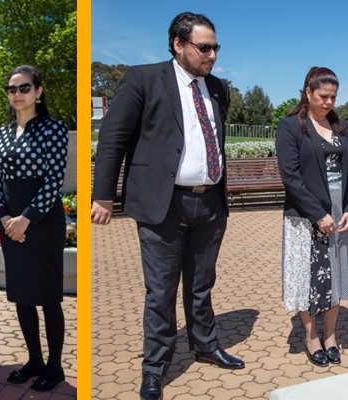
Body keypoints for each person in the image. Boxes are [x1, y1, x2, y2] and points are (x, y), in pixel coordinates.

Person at [91, 11, 244, 400]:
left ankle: (205, 346)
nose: (212, 55)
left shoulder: (218, 88)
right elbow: (113, 139)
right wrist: (103, 196)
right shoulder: (143, 79)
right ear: (178, 44)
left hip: (209, 203)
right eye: (204, 47)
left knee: (200, 285)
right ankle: (155, 367)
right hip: (163, 204)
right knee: (160, 291)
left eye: (215, 47)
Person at [275, 67, 348, 367]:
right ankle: (311, 337)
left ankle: (330, 335)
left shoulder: (341, 128)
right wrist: (317, 214)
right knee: (307, 278)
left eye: (333, 97)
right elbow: (290, 176)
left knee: (336, 275)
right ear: (308, 92)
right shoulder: (290, 126)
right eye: (323, 96)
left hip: (340, 213)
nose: (328, 102)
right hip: (305, 214)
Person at [0, 65, 69, 392]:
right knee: (22, 296)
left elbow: (54, 179)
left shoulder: (54, 128)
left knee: (48, 298)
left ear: (38, 91)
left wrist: (26, 218)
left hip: (43, 223)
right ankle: (34, 360)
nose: (17, 94)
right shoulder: (2, 134)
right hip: (11, 225)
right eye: (12, 89)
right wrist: (6, 218)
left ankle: (54, 367)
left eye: (24, 88)